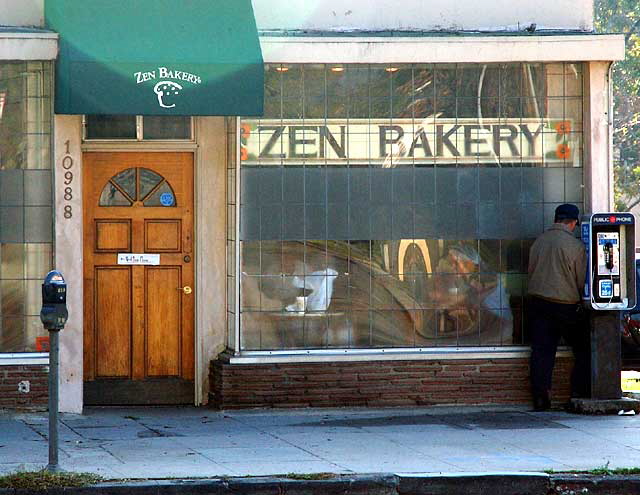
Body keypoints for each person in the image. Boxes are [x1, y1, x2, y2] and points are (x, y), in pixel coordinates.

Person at [527, 203, 589, 411]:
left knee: (541, 353)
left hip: (537, 303)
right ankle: (579, 392)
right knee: (584, 349)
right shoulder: (575, 246)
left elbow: (531, 271)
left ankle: (541, 398)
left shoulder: (538, 242)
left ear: (556, 220)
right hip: (565, 306)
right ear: (572, 223)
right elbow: (581, 281)